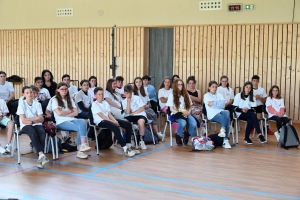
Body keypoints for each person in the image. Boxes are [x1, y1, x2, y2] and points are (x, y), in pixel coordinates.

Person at [91, 87, 137, 157]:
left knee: (128, 124)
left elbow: (109, 114)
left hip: (109, 119)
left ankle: (128, 145)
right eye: (99, 94)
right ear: (95, 95)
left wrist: (115, 120)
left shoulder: (105, 103)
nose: (101, 96)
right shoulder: (94, 104)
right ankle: (125, 149)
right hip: (101, 121)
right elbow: (102, 116)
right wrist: (113, 122)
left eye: (102, 94)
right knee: (115, 128)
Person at [50, 82, 91, 159]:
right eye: (62, 89)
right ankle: (80, 149)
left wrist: (66, 113)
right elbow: (59, 113)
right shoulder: (54, 99)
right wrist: (69, 111)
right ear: (58, 90)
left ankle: (82, 146)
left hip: (71, 119)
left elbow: (76, 113)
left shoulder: (70, 99)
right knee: (80, 128)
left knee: (82, 121)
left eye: (66, 89)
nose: (64, 91)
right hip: (61, 122)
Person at [16, 86, 49, 168]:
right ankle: (41, 154)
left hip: (36, 123)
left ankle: (40, 156)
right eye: (27, 93)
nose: (30, 94)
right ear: (23, 94)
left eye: (31, 92)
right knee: (33, 133)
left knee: (42, 132)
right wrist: (35, 119)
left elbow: (41, 118)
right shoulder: (21, 104)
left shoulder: (37, 104)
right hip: (26, 125)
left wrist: (32, 120)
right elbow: (24, 120)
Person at [166, 79, 197, 146]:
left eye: (181, 84)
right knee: (183, 123)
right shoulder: (172, 95)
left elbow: (190, 107)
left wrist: (188, 112)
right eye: (179, 85)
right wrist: (179, 113)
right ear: (175, 86)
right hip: (177, 114)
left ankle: (187, 134)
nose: (181, 86)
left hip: (186, 113)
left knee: (194, 123)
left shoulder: (186, 94)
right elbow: (171, 109)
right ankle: (178, 135)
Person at [203, 81, 231, 148]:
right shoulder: (206, 95)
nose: (214, 88)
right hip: (212, 114)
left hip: (221, 111)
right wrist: (218, 103)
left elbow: (223, 104)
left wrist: (214, 103)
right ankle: (225, 140)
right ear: (209, 87)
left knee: (227, 111)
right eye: (213, 87)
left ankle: (223, 129)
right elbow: (211, 105)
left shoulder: (219, 95)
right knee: (227, 119)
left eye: (216, 87)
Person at [122, 84, 148, 150]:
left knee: (141, 122)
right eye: (127, 93)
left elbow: (142, 108)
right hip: (130, 116)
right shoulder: (123, 101)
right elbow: (128, 112)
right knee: (124, 122)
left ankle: (141, 141)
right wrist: (128, 102)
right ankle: (130, 138)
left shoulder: (137, 97)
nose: (129, 95)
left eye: (130, 93)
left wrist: (135, 112)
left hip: (140, 114)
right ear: (125, 93)